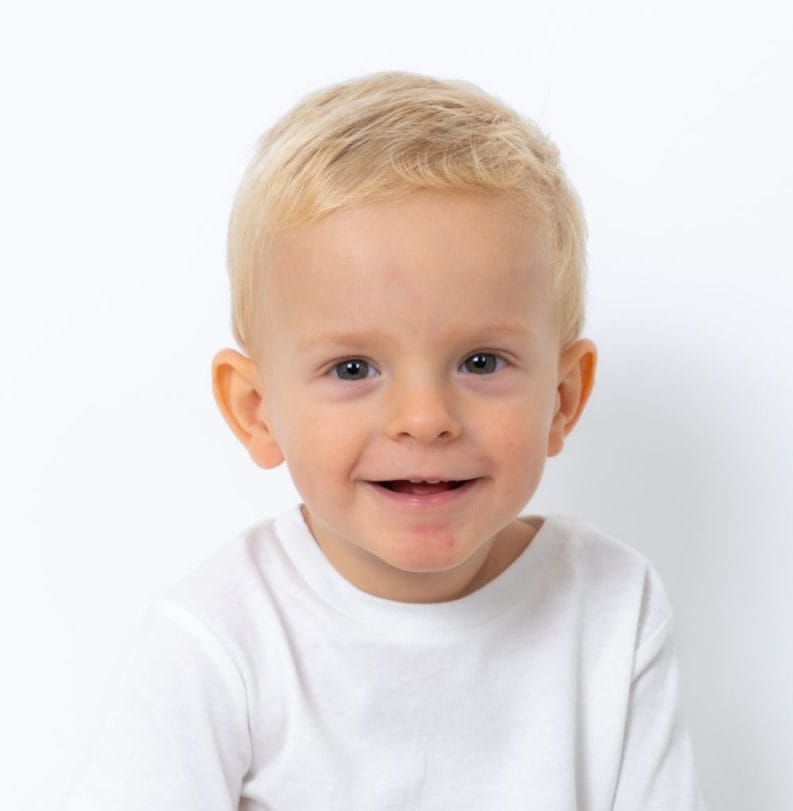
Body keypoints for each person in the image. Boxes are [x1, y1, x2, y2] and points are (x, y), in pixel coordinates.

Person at [64, 71, 707, 810]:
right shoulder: (220, 639)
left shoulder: (612, 607)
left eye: (480, 362)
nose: (424, 416)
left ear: (562, 398)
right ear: (256, 409)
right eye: (353, 367)